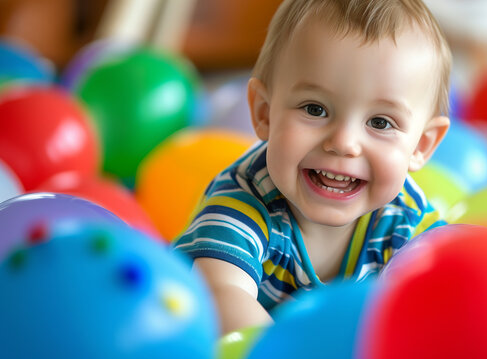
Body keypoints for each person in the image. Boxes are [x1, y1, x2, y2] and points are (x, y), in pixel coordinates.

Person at [173, 0, 452, 335]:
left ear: (421, 146)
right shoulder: (242, 201)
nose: (344, 142)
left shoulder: (406, 218)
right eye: (315, 109)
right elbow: (221, 294)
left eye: (380, 122)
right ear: (264, 113)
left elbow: (453, 286)